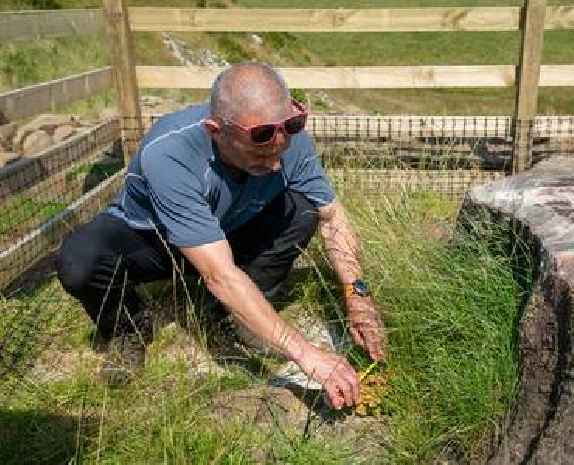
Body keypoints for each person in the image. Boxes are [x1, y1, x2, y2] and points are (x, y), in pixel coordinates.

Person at [56, 62, 386, 409]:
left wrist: (358, 297)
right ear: (217, 131)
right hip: (156, 243)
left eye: (289, 127)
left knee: (304, 208)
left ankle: (237, 313)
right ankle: (129, 328)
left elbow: (332, 217)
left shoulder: (285, 137)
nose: (276, 159)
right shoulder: (170, 154)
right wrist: (308, 355)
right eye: (260, 144)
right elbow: (220, 274)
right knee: (80, 259)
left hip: (227, 230)